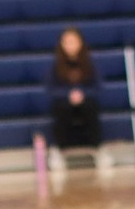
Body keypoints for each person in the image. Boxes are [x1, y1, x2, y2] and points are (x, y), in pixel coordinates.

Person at [44, 27, 110, 171]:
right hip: (64, 103)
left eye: (73, 42)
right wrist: (68, 95)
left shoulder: (90, 63)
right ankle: (58, 150)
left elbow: (97, 87)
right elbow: (51, 89)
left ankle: (98, 148)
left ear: (80, 43)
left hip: (85, 101)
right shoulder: (56, 66)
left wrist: (83, 94)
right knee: (60, 108)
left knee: (91, 106)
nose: (70, 46)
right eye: (67, 42)